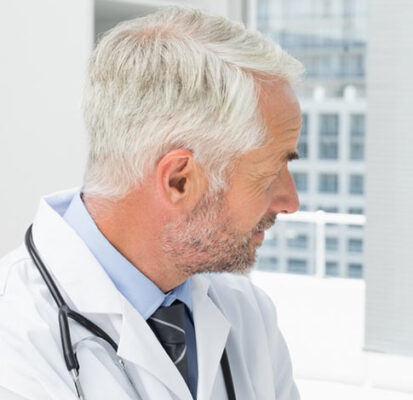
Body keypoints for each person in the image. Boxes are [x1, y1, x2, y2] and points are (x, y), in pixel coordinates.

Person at [0, 7, 304, 399]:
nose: (290, 201)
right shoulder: (16, 338)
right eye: (269, 173)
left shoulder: (246, 312)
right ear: (179, 180)